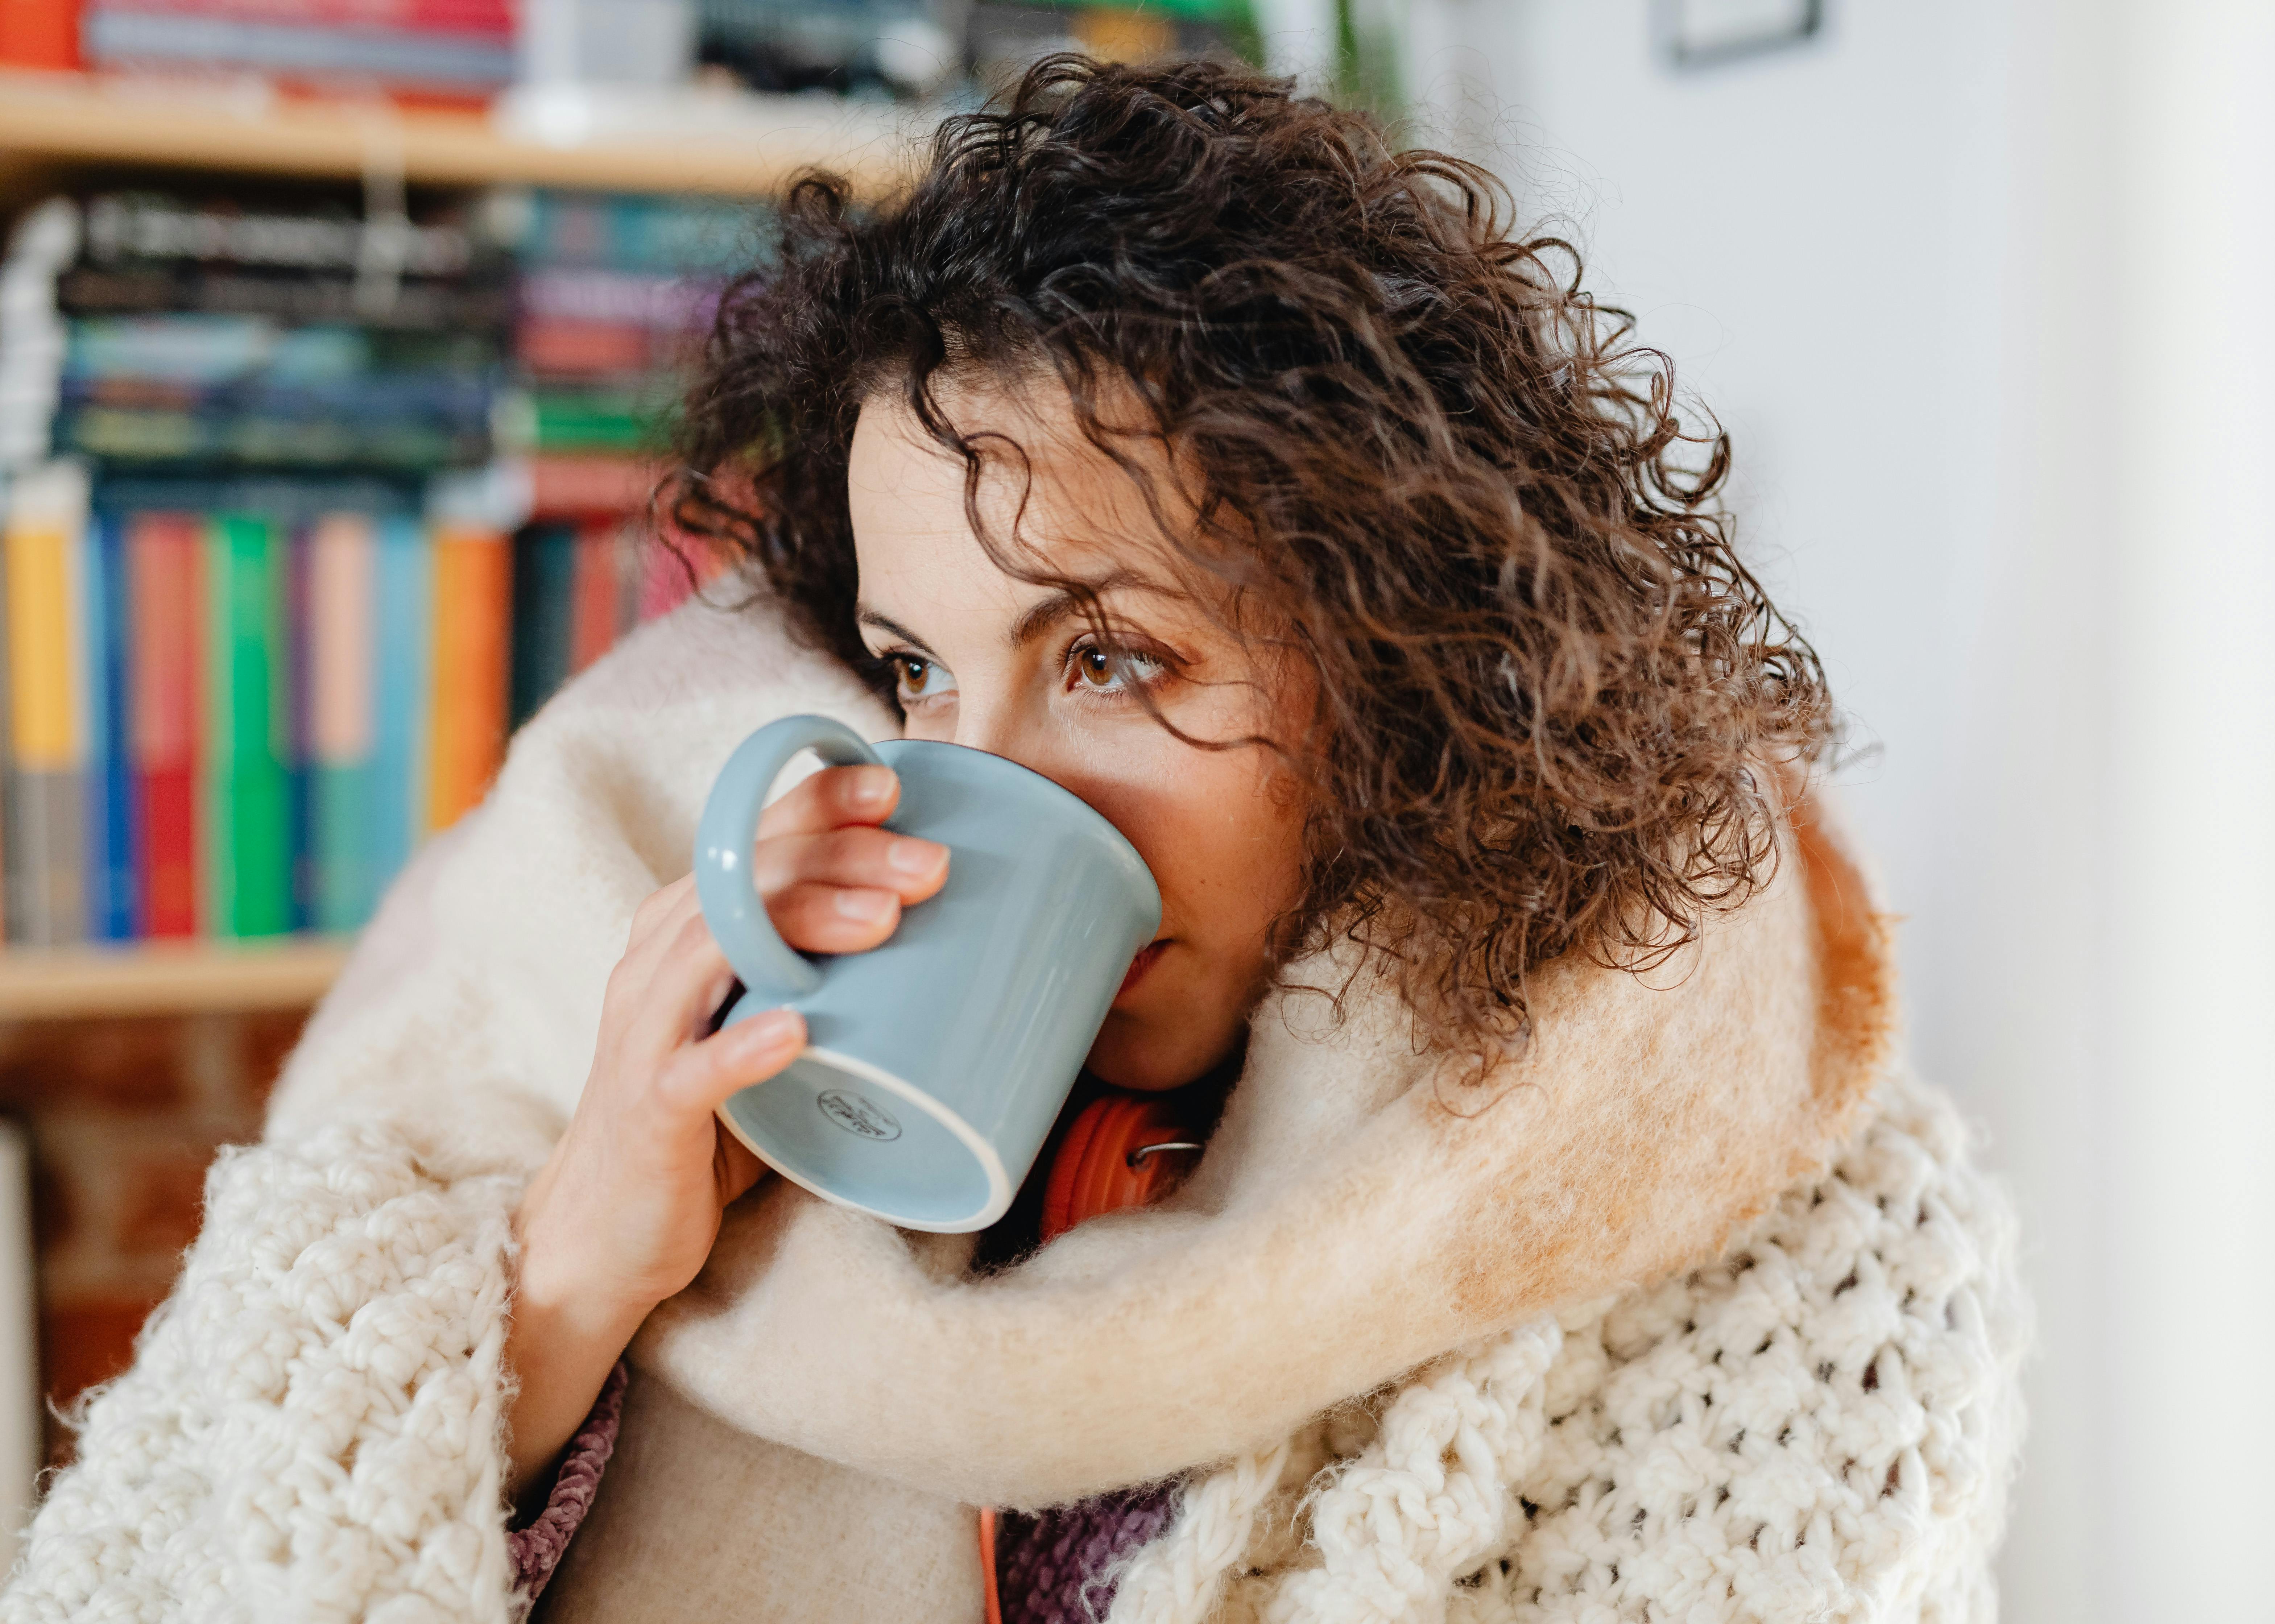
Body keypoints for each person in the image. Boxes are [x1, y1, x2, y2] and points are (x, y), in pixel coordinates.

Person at [3, 56, 2025, 1624]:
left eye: (1119, 659)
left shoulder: (1788, 1268)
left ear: (1411, 660)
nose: (996, 792)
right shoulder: (666, 1085)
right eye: (918, 668)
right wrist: (566, 1288)